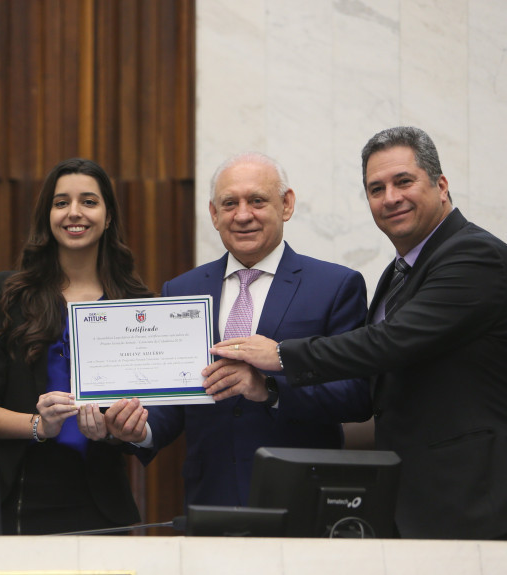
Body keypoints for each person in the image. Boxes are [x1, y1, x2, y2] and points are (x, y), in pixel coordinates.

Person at [212, 127, 507, 540]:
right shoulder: (401, 270)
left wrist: (281, 356)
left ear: (441, 186)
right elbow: (372, 383)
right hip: (411, 495)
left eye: (403, 181)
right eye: (376, 188)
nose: (390, 198)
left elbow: (391, 343)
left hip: (469, 496)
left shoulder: (474, 255)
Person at [105, 152, 372, 509]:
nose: (243, 215)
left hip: (303, 495)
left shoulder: (336, 286)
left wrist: (269, 388)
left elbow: (355, 395)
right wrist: (141, 429)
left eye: (257, 201)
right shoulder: (181, 291)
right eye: (229, 203)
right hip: (211, 496)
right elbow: (178, 397)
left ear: (286, 204)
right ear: (214, 214)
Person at [0, 157, 154, 535]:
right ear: (47, 215)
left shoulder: (136, 305)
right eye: (61, 202)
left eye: (89, 201)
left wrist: (116, 428)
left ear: (109, 215)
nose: (74, 213)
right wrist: (40, 426)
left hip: (103, 505)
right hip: (17, 502)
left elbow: (152, 416)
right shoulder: (9, 294)